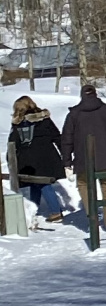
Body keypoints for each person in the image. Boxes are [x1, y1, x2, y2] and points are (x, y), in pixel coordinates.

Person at [61, 81, 106, 230]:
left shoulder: (74, 114)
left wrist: (67, 160)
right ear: (95, 94)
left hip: (83, 158)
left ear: (81, 96)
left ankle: (92, 214)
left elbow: (67, 138)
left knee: (84, 185)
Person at [7, 95, 74, 224]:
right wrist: (65, 154)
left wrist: (11, 161)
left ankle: (55, 212)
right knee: (36, 184)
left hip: (28, 160)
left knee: (43, 184)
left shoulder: (18, 124)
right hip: (47, 158)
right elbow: (56, 136)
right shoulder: (44, 119)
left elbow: (12, 143)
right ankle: (34, 210)